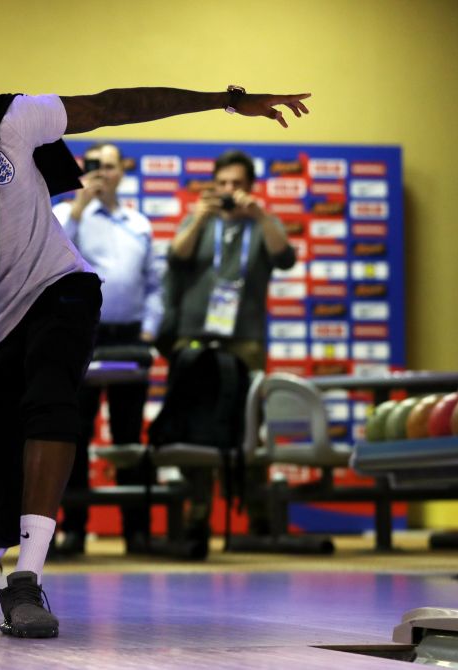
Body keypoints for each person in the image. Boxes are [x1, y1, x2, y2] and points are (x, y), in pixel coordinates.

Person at [0, 48, 310, 638]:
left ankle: (25, 579)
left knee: (53, 400)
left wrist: (226, 100)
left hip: (56, 287)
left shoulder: (10, 122)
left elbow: (114, 107)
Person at [158, 149, 298, 550]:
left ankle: (256, 518)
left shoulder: (262, 224)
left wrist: (261, 216)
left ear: (250, 188)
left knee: (248, 426)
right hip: (195, 336)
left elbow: (284, 258)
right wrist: (201, 216)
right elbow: (176, 255)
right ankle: (197, 516)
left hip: (245, 338)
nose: (229, 191)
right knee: (195, 426)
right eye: (222, 184)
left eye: (237, 184)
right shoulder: (198, 220)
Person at [51, 142, 161, 556]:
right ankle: (74, 530)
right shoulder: (66, 215)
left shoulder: (139, 222)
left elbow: (154, 282)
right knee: (76, 432)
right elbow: (56, 259)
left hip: (129, 337)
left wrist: (148, 331)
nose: (102, 173)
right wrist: (78, 208)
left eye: (110, 167)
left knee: (129, 435)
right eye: (94, 165)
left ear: (122, 172)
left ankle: (137, 532)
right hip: (82, 334)